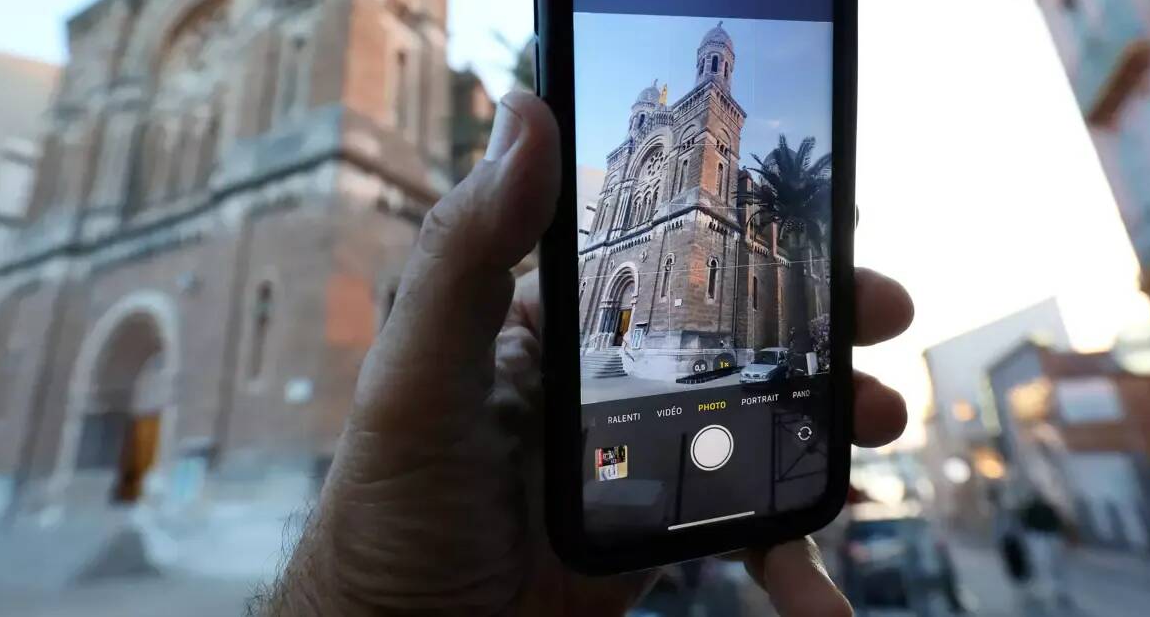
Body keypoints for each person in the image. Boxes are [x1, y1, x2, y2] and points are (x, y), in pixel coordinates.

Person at [252, 93, 914, 616]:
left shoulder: (712, 130)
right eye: (640, 118)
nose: (644, 123)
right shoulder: (632, 157)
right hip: (614, 250)